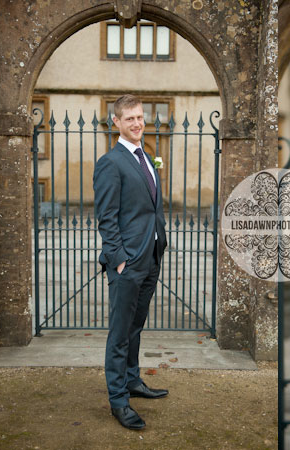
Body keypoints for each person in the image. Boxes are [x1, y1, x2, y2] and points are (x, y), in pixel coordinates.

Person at [94, 94, 168, 430]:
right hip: (128, 262)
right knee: (120, 333)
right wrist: (119, 260)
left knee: (136, 327)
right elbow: (106, 217)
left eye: (140, 117)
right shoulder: (111, 162)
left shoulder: (146, 158)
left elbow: (151, 208)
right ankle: (118, 399)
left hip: (151, 257)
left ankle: (134, 380)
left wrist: (158, 245)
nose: (137, 123)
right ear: (117, 123)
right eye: (130, 119)